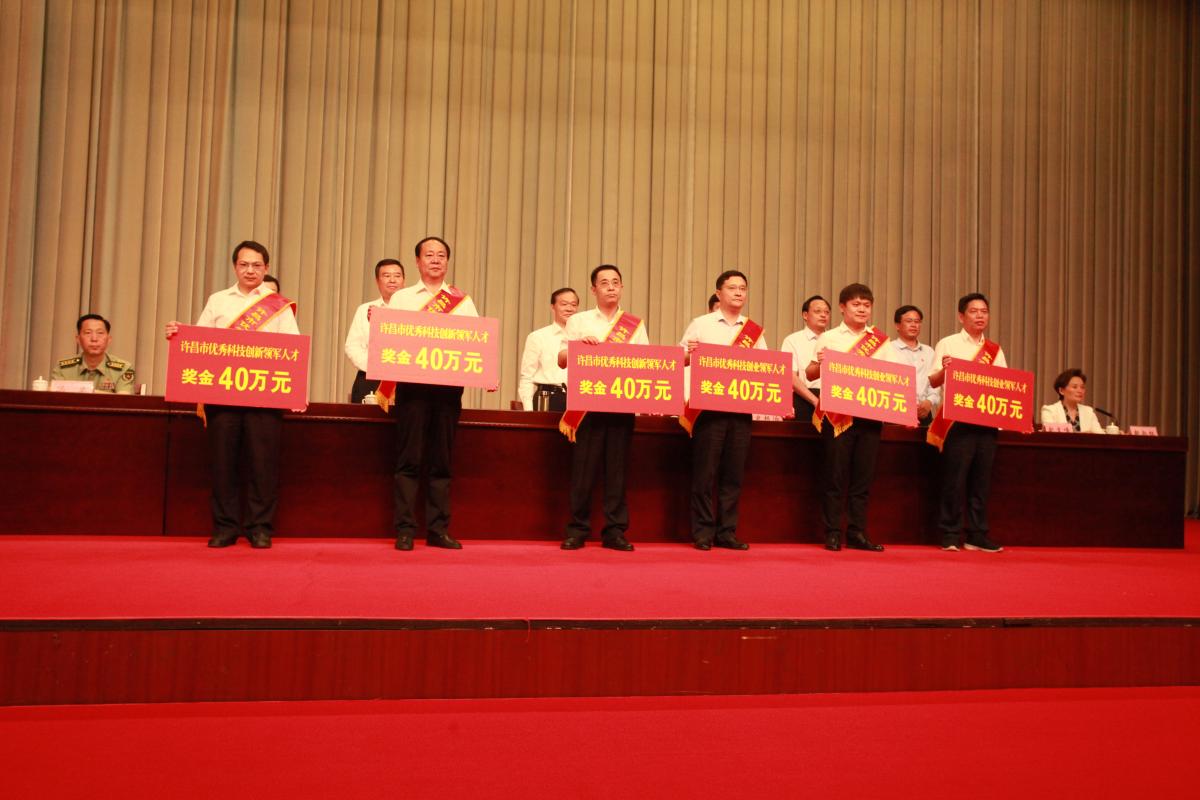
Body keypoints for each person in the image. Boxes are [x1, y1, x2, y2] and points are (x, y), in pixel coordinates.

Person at [164, 240, 299, 549]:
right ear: (235, 267)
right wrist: (179, 333)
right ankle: (225, 527)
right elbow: (199, 339)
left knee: (263, 465)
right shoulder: (218, 300)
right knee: (223, 463)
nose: (250, 270)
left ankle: (260, 527)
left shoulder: (277, 305)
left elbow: (292, 348)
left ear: (266, 268)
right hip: (223, 396)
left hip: (265, 397)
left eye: (256, 265)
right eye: (244, 264)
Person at [387, 237, 479, 551]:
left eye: (441, 255)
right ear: (418, 261)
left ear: (447, 262)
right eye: (429, 255)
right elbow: (389, 340)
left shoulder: (462, 301)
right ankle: (404, 529)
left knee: (442, 461)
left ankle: (438, 529)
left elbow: (476, 340)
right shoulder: (401, 298)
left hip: (448, 390)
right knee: (409, 459)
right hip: (411, 388)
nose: (436, 260)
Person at [558, 264, 648, 551]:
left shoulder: (634, 325)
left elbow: (646, 363)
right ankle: (577, 530)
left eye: (616, 282)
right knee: (583, 471)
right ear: (593, 289)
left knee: (617, 472)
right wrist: (578, 347)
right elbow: (561, 359)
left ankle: (615, 531)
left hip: (622, 405)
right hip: (587, 405)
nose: (611, 287)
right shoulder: (579, 320)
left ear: (621, 287)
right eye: (605, 282)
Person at [805, 284, 900, 552]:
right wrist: (820, 363)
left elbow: (894, 376)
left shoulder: (881, 342)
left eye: (866, 305)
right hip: (838, 417)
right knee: (834, 477)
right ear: (843, 307)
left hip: (870, 416)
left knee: (862, 479)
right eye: (856, 304)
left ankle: (857, 532)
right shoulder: (829, 337)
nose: (862, 309)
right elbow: (810, 374)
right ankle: (833, 532)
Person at [679, 270, 766, 551]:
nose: (739, 292)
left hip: (741, 410)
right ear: (719, 293)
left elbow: (765, 369)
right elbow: (680, 360)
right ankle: (703, 532)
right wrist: (690, 354)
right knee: (705, 474)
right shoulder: (701, 324)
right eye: (732, 288)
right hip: (708, 410)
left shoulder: (753, 331)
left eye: (743, 288)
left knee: (733, 474)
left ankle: (727, 532)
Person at [927, 293, 1007, 553]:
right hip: (957, 423)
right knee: (955, 479)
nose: (980, 315)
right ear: (961, 316)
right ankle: (950, 533)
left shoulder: (994, 350)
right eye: (974, 311)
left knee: (981, 482)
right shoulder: (948, 343)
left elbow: (1003, 385)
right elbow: (933, 381)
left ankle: (977, 534)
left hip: (986, 421)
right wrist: (946, 370)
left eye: (984, 311)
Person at [344, 259, 406, 403]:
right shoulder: (364, 309)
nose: (392, 280)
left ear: (404, 280)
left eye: (397, 276)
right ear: (377, 281)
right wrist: (373, 366)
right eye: (386, 276)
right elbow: (352, 346)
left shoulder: (414, 310)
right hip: (370, 377)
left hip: (405, 380)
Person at [518, 287, 579, 411]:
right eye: (564, 304)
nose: (569, 308)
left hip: (579, 399)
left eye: (573, 305)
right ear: (553, 307)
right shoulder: (538, 337)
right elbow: (527, 377)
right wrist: (529, 411)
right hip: (548, 398)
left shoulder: (583, 337)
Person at [51, 314, 136, 394]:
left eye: (100, 333)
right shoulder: (62, 368)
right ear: (78, 339)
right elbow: (56, 398)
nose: (94, 339)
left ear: (109, 339)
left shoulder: (123, 369)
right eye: (88, 333)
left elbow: (122, 400)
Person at [780, 295, 830, 422]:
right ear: (805, 315)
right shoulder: (792, 340)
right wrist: (815, 401)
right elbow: (790, 376)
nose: (823, 315)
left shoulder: (835, 340)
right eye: (818, 311)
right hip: (804, 399)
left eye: (826, 312)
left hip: (833, 400)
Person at [890, 305, 940, 426]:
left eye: (917, 321)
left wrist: (929, 402)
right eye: (909, 321)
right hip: (896, 410)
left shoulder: (929, 351)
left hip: (924, 413)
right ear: (897, 325)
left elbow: (935, 382)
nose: (914, 325)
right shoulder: (888, 349)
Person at [1040, 369, 1105, 433]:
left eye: (1082, 387)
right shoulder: (1050, 411)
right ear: (1061, 391)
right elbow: (1051, 435)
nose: (1080, 391)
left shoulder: (1088, 411)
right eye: (1074, 387)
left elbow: (1100, 435)